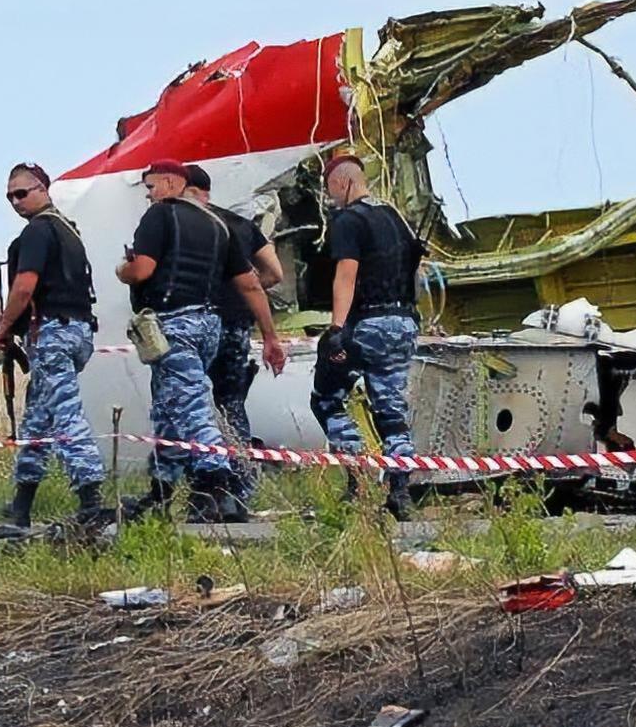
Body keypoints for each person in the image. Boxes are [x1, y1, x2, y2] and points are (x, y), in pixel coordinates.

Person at [116, 158, 287, 522]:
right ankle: (159, 494)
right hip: (212, 326)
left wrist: (122, 270)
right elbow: (254, 282)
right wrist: (270, 336)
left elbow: (142, 269)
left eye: (150, 187)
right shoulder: (220, 226)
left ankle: (221, 488)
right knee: (168, 409)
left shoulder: (160, 217)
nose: (148, 196)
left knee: (192, 408)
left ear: (172, 184)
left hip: (175, 324)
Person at [310, 154, 425, 519]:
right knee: (391, 410)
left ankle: (357, 479)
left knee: (326, 399)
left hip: (368, 325)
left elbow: (346, 273)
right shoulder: (396, 217)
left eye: (330, 188)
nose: (330, 197)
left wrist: (336, 330)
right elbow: (415, 268)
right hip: (403, 323)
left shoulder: (349, 219)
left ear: (343, 183)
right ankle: (400, 491)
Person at [0, 163, 105, 528]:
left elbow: (25, 286)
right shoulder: (68, 230)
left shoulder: (39, 231)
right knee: (38, 420)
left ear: (42, 188)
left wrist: (4, 326)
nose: (15, 201)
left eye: (21, 193)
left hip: (53, 333)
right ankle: (21, 504)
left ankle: (91, 498)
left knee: (65, 415)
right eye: (9, 196)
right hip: (77, 330)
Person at [182, 163, 282, 505]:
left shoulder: (187, 223)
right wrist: (242, 292)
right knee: (232, 404)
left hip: (198, 322)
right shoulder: (241, 225)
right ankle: (242, 487)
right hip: (237, 326)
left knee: (192, 404)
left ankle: (204, 487)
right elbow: (274, 273)